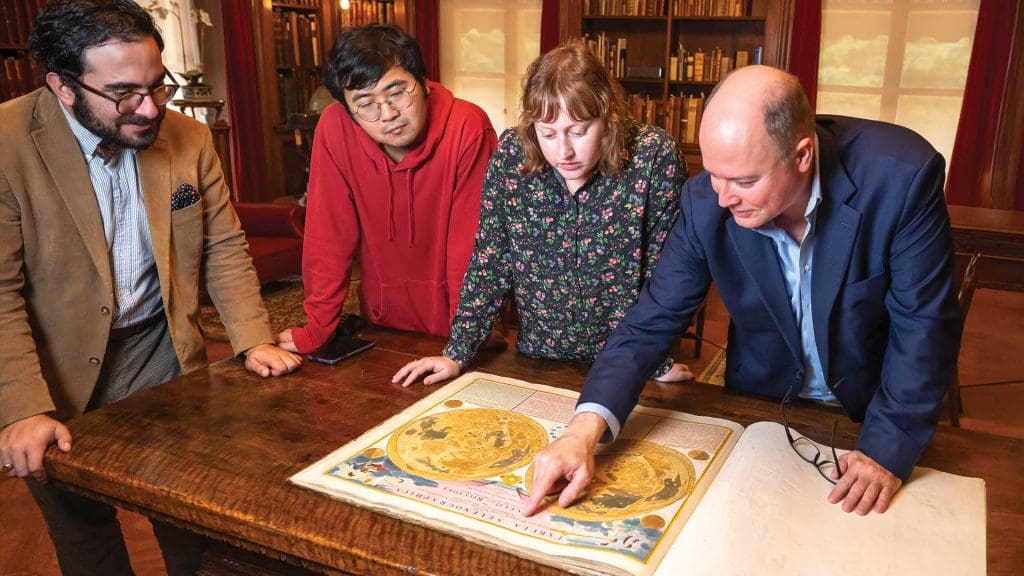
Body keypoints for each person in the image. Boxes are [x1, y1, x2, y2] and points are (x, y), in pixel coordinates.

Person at [524, 65, 961, 518]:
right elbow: (649, 322)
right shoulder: (705, 200)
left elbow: (924, 326)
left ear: (803, 155)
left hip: (869, 411)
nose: (723, 198)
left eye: (745, 182)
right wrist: (582, 429)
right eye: (713, 174)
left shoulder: (900, 178)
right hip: (762, 406)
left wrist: (885, 450)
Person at [0, 1, 301, 574]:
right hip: (53, 368)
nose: (148, 108)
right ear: (63, 87)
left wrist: (251, 339)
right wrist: (22, 409)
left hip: (161, 353)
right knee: (84, 536)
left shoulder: (187, 136)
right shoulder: (6, 143)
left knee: (192, 517)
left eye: (156, 86)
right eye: (123, 94)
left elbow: (223, 244)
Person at [393, 42, 694, 387]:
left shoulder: (652, 156)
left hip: (632, 361)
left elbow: (666, 273)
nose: (563, 151)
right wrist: (456, 352)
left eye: (579, 131)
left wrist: (654, 358)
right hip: (537, 360)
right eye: (548, 133)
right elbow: (491, 260)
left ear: (609, 119)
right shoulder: (511, 155)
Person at [276, 24, 497, 354]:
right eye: (365, 103)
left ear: (421, 82)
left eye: (397, 92)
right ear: (348, 109)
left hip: (464, 327)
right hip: (381, 323)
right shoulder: (335, 128)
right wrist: (318, 328)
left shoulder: (467, 127)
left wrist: (461, 345)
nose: (388, 114)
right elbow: (328, 235)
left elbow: (473, 246)